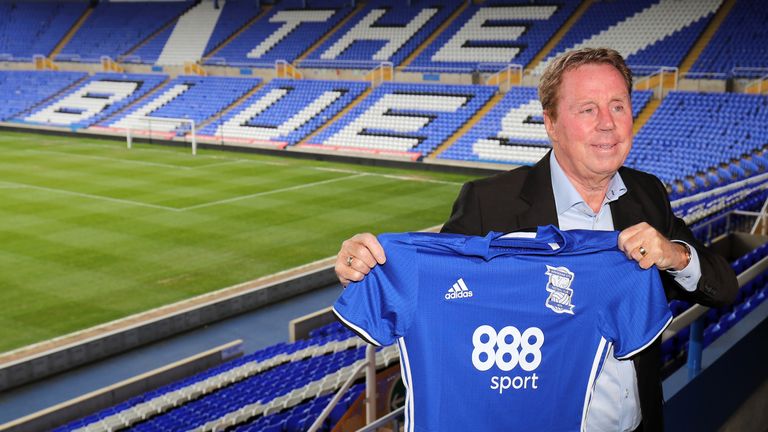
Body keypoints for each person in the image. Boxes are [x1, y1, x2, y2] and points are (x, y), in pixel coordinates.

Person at [334, 47, 738, 431]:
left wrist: (674, 256)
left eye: (618, 105)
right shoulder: (489, 204)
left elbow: (723, 287)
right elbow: (437, 295)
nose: (607, 123)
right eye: (587, 109)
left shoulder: (647, 195)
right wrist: (365, 267)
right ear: (550, 123)